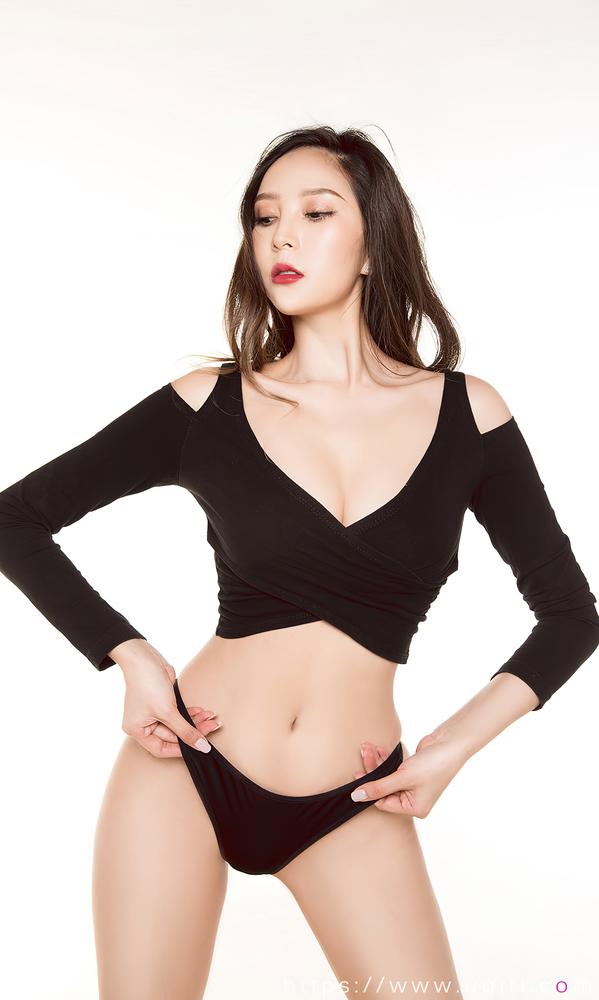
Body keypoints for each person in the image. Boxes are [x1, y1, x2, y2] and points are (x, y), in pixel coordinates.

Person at [0, 125, 597, 1000]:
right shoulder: (208, 404)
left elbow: (570, 615)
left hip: (352, 796)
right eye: (263, 217)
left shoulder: (469, 414)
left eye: (316, 213)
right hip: (187, 766)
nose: (281, 235)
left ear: (372, 244)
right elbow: (15, 518)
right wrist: (130, 656)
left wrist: (448, 749)